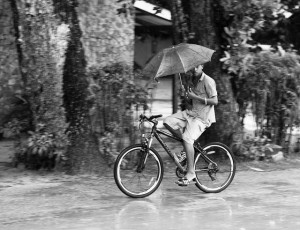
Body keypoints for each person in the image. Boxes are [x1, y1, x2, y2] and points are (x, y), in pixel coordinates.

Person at [163, 64, 218, 186]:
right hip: (190, 114)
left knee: (187, 138)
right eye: (192, 67)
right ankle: (186, 149)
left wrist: (195, 97)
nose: (194, 69)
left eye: (196, 67)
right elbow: (191, 101)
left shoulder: (208, 81)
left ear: (202, 66)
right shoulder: (192, 80)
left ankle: (191, 172)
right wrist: (186, 96)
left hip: (202, 118)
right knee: (167, 122)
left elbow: (215, 101)